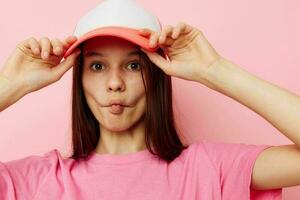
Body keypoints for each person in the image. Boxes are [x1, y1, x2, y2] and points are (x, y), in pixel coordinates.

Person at [1, 0, 300, 199]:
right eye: (97, 66)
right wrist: (10, 85)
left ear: (157, 74)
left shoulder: (210, 168)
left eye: (134, 65)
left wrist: (214, 70)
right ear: (79, 80)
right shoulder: (34, 181)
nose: (115, 83)